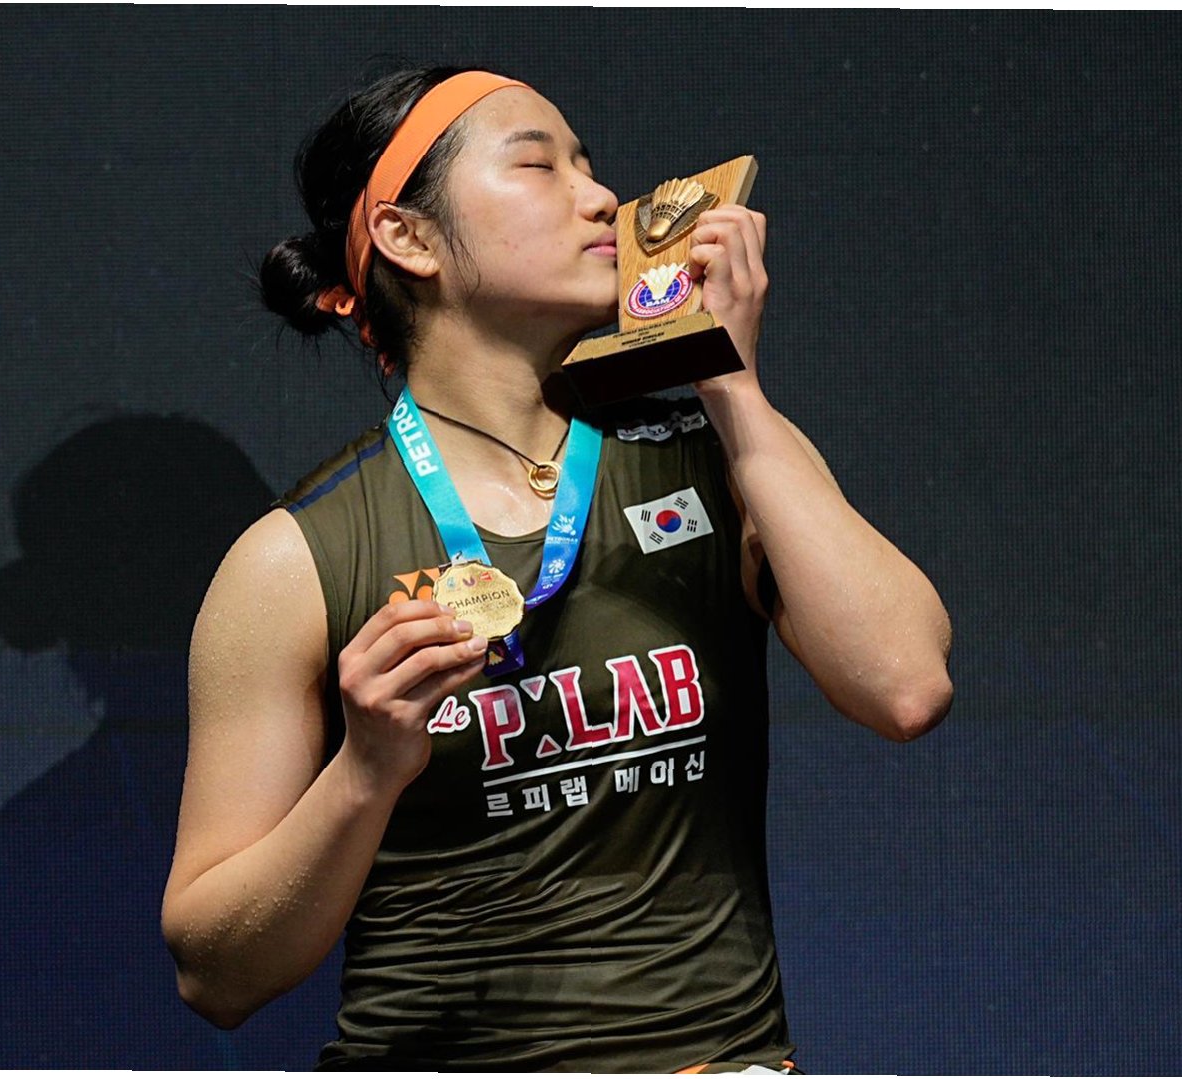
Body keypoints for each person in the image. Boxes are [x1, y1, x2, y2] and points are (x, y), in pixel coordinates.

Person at [161, 66, 953, 1072]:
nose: (602, 198)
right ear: (408, 237)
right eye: (538, 166)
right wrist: (364, 771)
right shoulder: (292, 561)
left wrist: (730, 383)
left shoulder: (714, 455)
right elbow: (217, 975)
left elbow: (904, 685)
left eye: (589, 164)